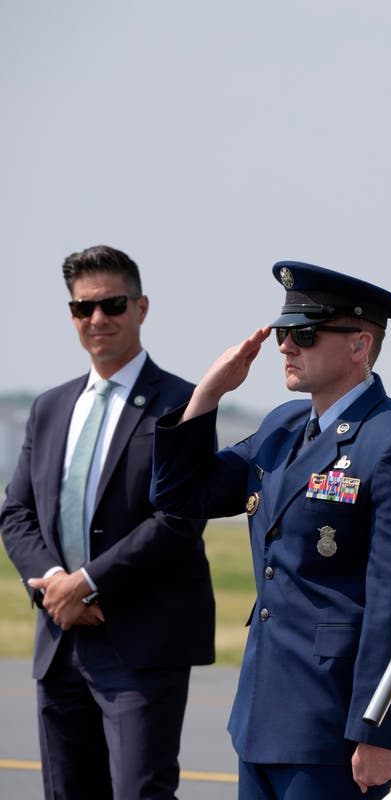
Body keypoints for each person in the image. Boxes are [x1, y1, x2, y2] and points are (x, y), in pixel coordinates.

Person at [150, 262, 391, 799]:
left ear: (360, 345)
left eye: (304, 334)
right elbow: (179, 494)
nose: (286, 346)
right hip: (261, 717)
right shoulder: (281, 428)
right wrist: (208, 395)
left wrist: (383, 730)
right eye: (284, 333)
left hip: (333, 728)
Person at [0, 245, 215, 799]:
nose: (97, 319)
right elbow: (17, 512)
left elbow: (179, 519)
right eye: (82, 309)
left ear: (142, 307)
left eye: (112, 304)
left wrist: (90, 584)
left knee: (139, 793)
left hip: (141, 645)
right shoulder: (49, 408)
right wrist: (56, 585)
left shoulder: (182, 403)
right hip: (60, 638)